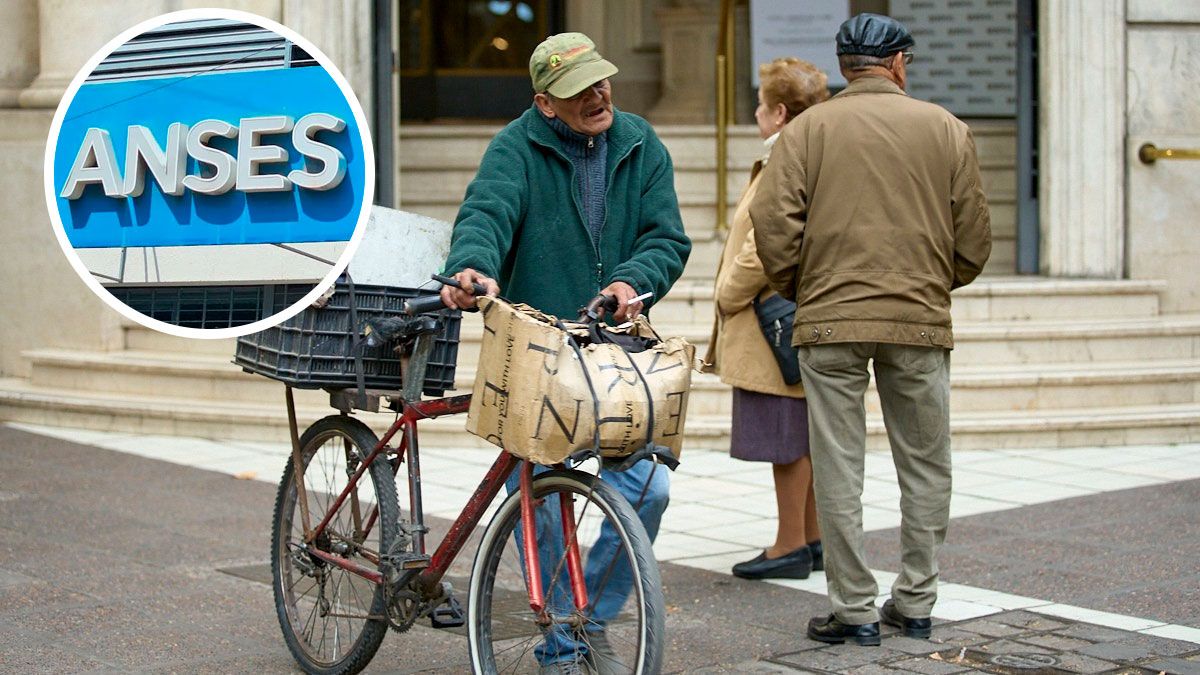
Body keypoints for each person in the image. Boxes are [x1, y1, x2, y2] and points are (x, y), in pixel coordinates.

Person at [438, 32, 691, 674]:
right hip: (538, 348)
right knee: (543, 506)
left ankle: (588, 618)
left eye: (601, 80)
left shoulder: (639, 142)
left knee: (649, 487)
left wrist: (633, 281)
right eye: (579, 90)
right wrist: (473, 266)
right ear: (546, 103)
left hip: (616, 349)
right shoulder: (515, 147)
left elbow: (666, 238)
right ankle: (562, 644)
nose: (598, 95)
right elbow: (486, 214)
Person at [750, 13, 991, 646]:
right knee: (926, 463)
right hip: (917, 319)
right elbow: (973, 239)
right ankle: (916, 601)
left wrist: (804, 288)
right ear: (899, 63)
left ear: (843, 65)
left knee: (838, 464)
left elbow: (772, 225)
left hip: (829, 318)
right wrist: (932, 283)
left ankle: (854, 609)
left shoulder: (807, 130)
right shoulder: (946, 128)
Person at [703, 57, 828, 581]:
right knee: (801, 434)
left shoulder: (784, 158)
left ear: (779, 113)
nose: (755, 113)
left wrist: (726, 294)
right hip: (795, 314)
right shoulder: (814, 151)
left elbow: (763, 246)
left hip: (771, 318)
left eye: (760, 104)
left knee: (785, 441)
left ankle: (789, 545)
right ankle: (813, 540)